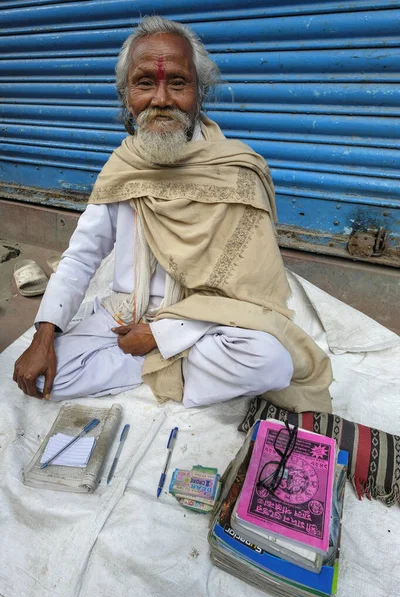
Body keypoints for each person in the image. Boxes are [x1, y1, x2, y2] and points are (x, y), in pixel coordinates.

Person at [13, 16, 332, 412]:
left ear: (200, 94)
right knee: (44, 377)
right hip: (126, 311)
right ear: (125, 95)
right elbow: (81, 257)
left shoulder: (237, 170)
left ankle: (148, 366)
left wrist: (162, 334)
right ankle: (168, 372)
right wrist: (42, 336)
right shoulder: (123, 167)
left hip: (207, 321)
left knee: (272, 363)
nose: (161, 99)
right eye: (145, 82)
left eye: (177, 83)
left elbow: (250, 295)